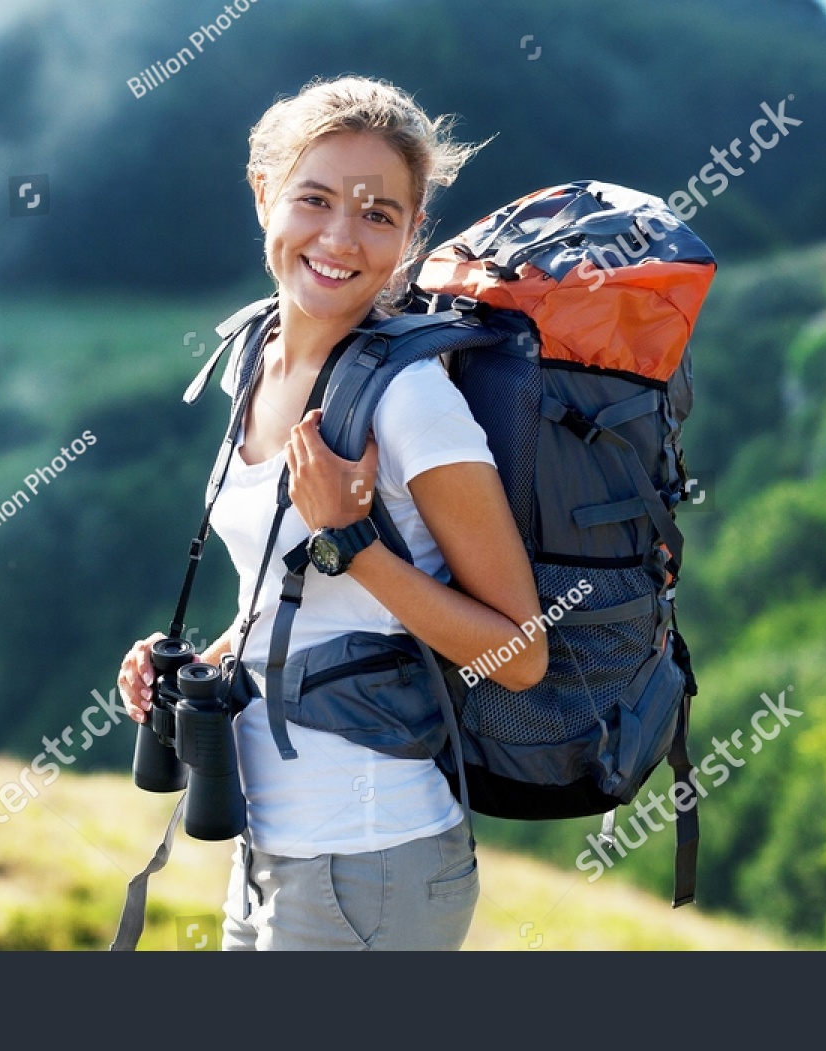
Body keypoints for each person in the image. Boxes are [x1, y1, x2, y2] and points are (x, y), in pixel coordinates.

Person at [117, 75, 546, 951]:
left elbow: (522, 652)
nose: (341, 237)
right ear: (263, 194)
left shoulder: (413, 402)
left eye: (379, 214)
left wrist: (353, 541)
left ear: (410, 234)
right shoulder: (254, 359)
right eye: (314, 198)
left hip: (372, 862)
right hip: (270, 849)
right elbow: (288, 601)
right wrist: (206, 659)